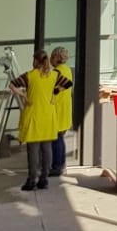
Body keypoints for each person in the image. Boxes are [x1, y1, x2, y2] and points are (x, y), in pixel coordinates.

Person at [14, 50, 57, 192]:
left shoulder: (29, 76)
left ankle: (32, 180)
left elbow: (12, 85)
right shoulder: (54, 75)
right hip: (48, 117)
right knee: (47, 149)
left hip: (33, 116)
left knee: (33, 150)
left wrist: (24, 96)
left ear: (35, 61)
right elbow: (68, 83)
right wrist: (54, 95)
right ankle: (44, 179)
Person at [49, 48, 74, 178]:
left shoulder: (57, 72)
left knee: (56, 140)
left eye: (51, 57)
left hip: (57, 110)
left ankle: (57, 166)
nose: (50, 60)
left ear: (56, 58)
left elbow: (51, 91)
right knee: (60, 139)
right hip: (65, 109)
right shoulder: (67, 70)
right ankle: (62, 165)